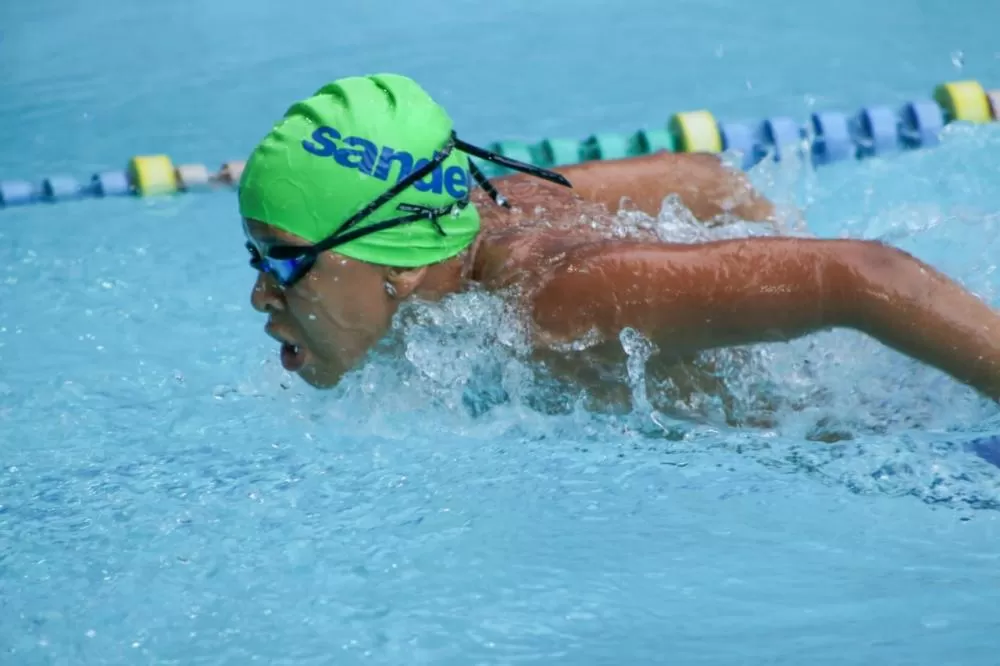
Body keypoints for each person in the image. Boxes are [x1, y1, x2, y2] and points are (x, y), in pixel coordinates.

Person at [238, 73, 1000, 410]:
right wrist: (752, 254)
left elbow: (861, 274)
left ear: (393, 269)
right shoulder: (465, 209)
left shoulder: (555, 305)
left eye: (283, 261)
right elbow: (702, 179)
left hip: (901, 426)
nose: (260, 295)